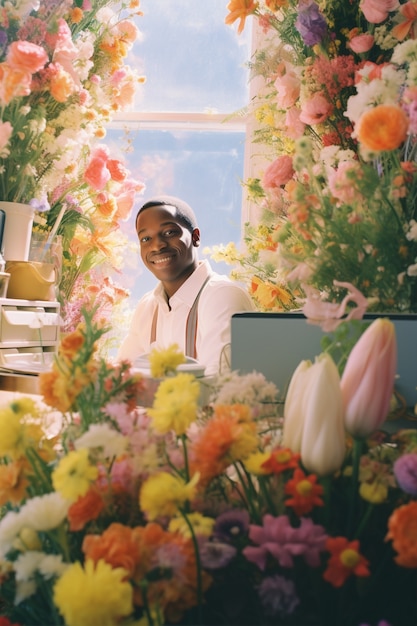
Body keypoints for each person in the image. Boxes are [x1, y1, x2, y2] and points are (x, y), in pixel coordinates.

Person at [117, 195, 255, 376]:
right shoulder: (147, 306)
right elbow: (121, 378)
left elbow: (218, 385)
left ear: (196, 237)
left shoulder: (222, 296)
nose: (157, 246)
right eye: (146, 239)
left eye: (169, 233)